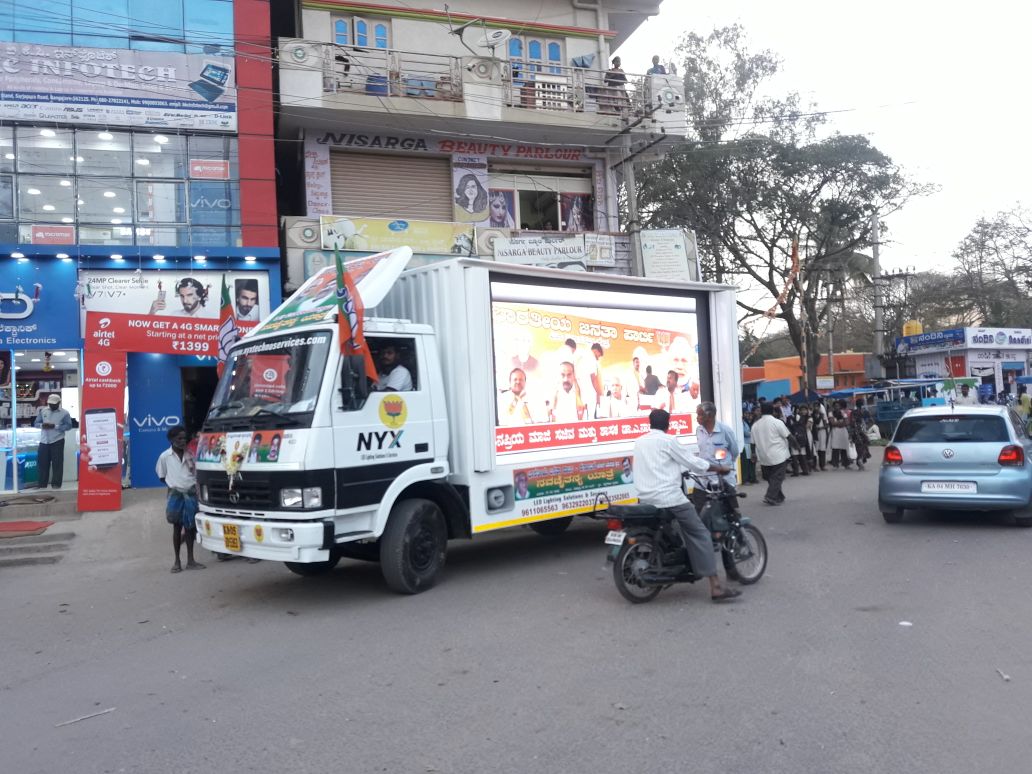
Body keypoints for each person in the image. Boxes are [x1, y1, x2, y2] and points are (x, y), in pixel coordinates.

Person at [633, 409, 741, 603]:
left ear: (650, 423)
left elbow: (659, 464)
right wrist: (719, 468)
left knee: (675, 530)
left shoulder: (640, 442)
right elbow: (693, 462)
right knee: (700, 533)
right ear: (668, 424)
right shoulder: (668, 441)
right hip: (670, 499)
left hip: (645, 499)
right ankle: (716, 586)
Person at [156, 425, 204, 574]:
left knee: (190, 527)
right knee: (177, 527)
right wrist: (175, 487)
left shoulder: (190, 454)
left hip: (190, 494)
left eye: (184, 438)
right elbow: (162, 476)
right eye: (179, 438)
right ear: (171, 440)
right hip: (175, 495)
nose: (183, 441)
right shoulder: (165, 457)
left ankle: (191, 560)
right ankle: (177, 561)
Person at [691, 402, 740, 514]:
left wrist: (724, 465)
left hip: (722, 480)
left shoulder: (725, 431)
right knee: (699, 512)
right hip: (702, 479)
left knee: (729, 512)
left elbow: (734, 452)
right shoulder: (699, 430)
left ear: (709, 416)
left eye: (699, 415)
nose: (697, 418)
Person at [751, 402, 792, 506]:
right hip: (779, 455)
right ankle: (770, 496)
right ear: (773, 411)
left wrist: (753, 454)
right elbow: (788, 436)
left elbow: (752, 443)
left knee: (772, 478)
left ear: (761, 411)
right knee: (777, 477)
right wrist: (797, 446)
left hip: (764, 456)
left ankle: (779, 496)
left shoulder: (755, 425)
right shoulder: (777, 422)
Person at [34, 394, 72, 489]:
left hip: (57, 441)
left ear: (59, 403)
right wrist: (42, 425)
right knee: (42, 463)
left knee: (57, 463)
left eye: (54, 404)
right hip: (44, 441)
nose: (51, 406)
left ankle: (56, 484)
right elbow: (36, 423)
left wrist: (55, 426)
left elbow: (69, 426)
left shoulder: (65, 413)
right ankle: (42, 484)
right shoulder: (43, 411)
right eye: (50, 404)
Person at [849, 399, 872, 471]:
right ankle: (860, 460)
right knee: (864, 445)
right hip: (862, 431)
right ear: (862, 404)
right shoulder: (865, 411)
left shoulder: (853, 412)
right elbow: (871, 420)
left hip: (855, 431)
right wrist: (866, 425)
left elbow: (851, 423)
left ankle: (859, 461)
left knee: (858, 446)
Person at [828, 402, 851, 469]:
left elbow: (847, 422)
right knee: (835, 448)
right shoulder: (830, 413)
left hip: (843, 431)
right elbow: (832, 423)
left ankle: (846, 464)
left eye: (838, 406)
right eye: (835, 406)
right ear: (833, 407)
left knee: (844, 447)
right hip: (835, 431)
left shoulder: (843, 413)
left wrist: (838, 423)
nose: (837, 407)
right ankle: (835, 464)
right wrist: (841, 423)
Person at [589, 342, 605, 416]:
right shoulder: (592, 359)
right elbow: (594, 379)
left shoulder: (585, 357)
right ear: (596, 351)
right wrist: (599, 395)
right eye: (598, 356)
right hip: (591, 396)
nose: (598, 359)